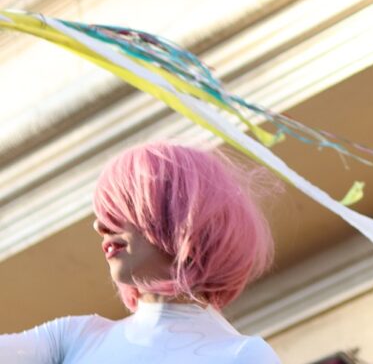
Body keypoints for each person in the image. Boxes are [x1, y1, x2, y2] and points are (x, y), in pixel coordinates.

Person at [0, 141, 280, 362]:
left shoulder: (243, 356)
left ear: (179, 214)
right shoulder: (74, 338)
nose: (100, 225)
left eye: (120, 209)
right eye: (103, 213)